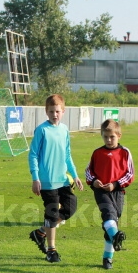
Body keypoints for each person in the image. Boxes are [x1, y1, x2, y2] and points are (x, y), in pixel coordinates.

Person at [27, 94, 84, 263]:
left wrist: (75, 175)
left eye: (57, 111)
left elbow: (67, 155)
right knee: (52, 214)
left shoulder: (64, 130)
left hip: (63, 180)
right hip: (47, 181)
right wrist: (36, 178)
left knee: (70, 208)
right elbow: (33, 155)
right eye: (51, 111)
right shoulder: (42, 130)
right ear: (46, 112)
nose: (55, 114)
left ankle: (40, 233)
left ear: (63, 111)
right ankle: (51, 250)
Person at [85, 119, 135, 269]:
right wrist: (93, 181)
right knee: (108, 214)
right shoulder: (97, 153)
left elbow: (130, 173)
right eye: (105, 137)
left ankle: (108, 257)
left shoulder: (125, 152)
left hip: (118, 192)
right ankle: (116, 237)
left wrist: (115, 184)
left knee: (112, 222)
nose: (108, 140)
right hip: (101, 192)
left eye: (111, 137)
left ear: (119, 135)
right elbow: (88, 171)